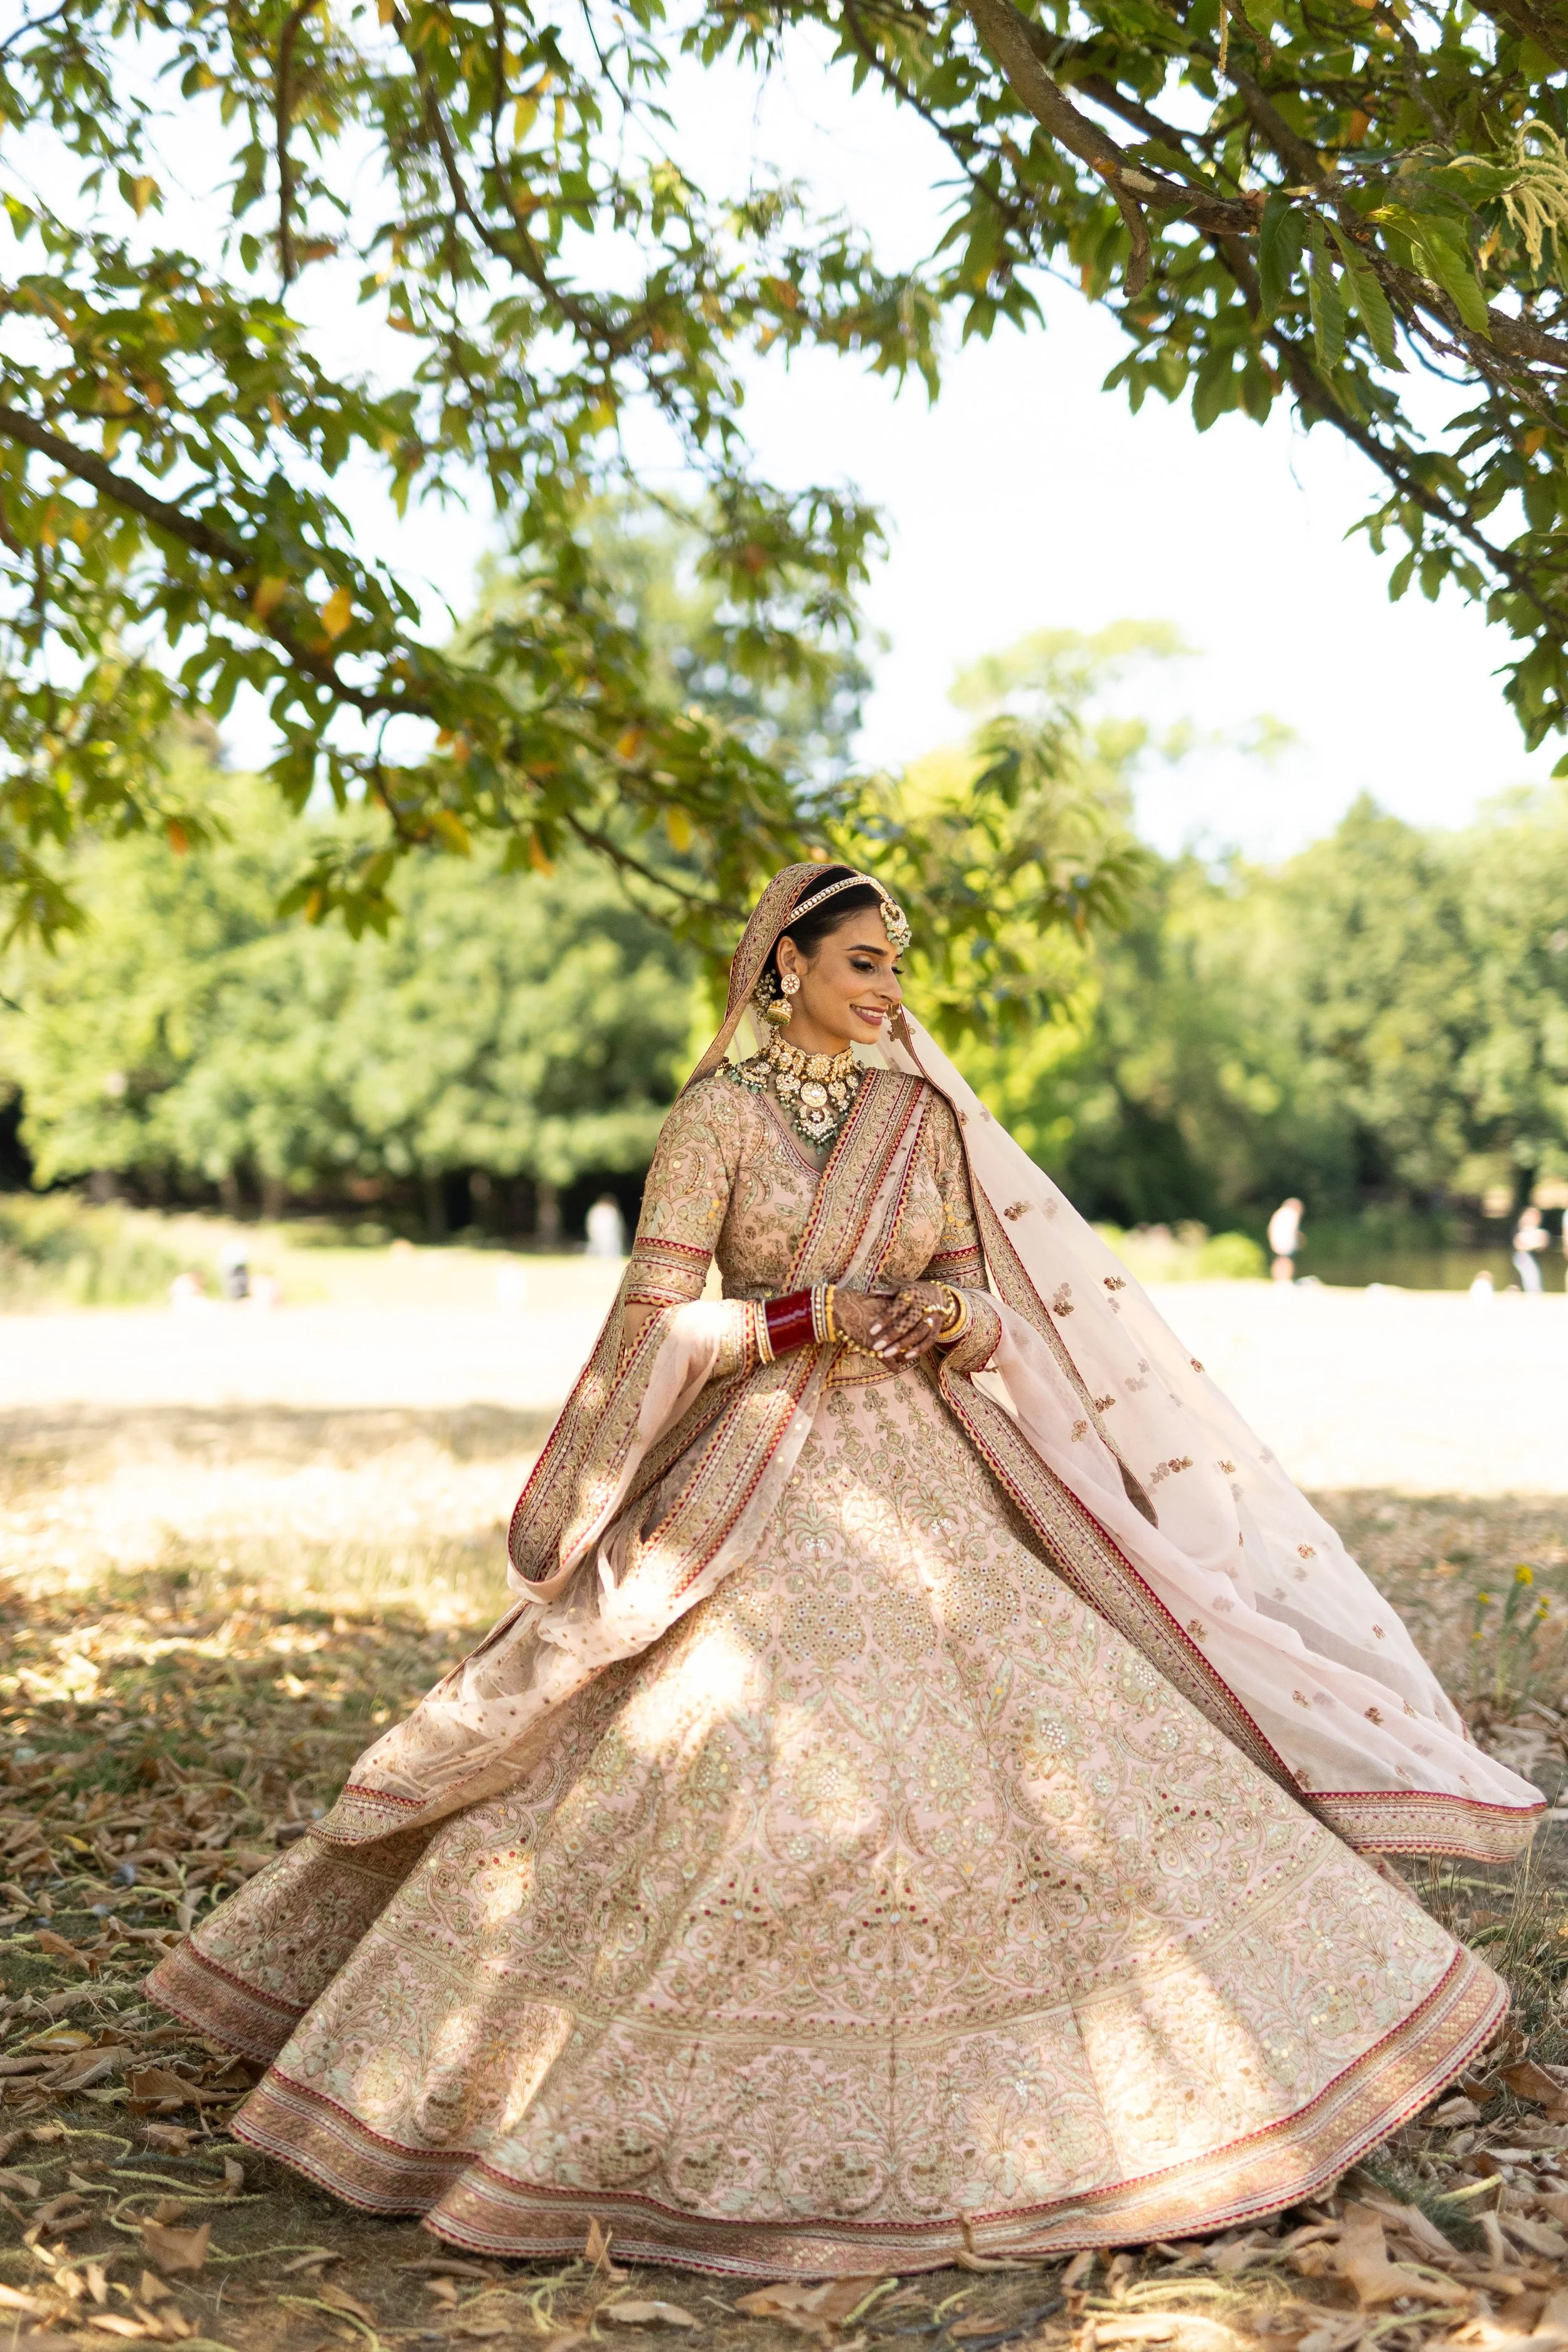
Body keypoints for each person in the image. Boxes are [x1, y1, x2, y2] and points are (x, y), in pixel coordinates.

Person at [147, 864, 1541, 2271]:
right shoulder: (714, 1119)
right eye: (863, 964)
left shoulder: (912, 1117)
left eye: (895, 967)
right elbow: (656, 1308)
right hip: (760, 1465)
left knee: (1056, 1719)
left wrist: (945, 1309)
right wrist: (786, 1320)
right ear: (784, 970)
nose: (887, 991)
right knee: (707, 1741)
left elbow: (973, 1286)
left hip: (922, 1460)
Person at [1266, 1195, 1304, 1283]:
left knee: (1279, 1260)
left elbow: (1271, 1228)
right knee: (1287, 1261)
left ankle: (1278, 1278)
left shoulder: (1279, 1213)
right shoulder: (1292, 1214)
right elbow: (1293, 1230)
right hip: (1287, 1242)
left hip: (1277, 1241)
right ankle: (1285, 1279)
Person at [1513, 1203, 1549, 1293]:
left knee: (1533, 1276)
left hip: (1529, 1256)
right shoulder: (1523, 1232)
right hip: (1523, 1256)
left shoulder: (1536, 1231)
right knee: (1530, 1276)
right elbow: (1518, 1245)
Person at [583, 1192, 627, 1260]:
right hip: (599, 1235)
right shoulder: (596, 1210)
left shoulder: (613, 1211)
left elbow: (619, 1226)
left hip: (611, 1236)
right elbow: (592, 1224)